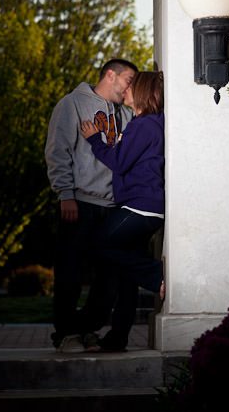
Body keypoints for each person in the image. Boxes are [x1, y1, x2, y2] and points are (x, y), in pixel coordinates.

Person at [44, 58, 138, 352]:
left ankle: (87, 329)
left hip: (113, 207)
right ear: (111, 75)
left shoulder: (125, 114)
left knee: (109, 276)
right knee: (70, 272)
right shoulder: (72, 104)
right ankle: (66, 334)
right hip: (80, 202)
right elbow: (57, 151)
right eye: (128, 81)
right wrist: (65, 194)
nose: (129, 88)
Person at [79, 70, 165, 352]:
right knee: (126, 273)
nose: (126, 89)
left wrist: (95, 139)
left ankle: (156, 275)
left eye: (131, 86)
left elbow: (119, 162)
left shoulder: (144, 125)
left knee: (96, 243)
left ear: (141, 92)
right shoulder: (149, 123)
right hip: (142, 206)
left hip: (140, 207)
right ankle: (118, 337)